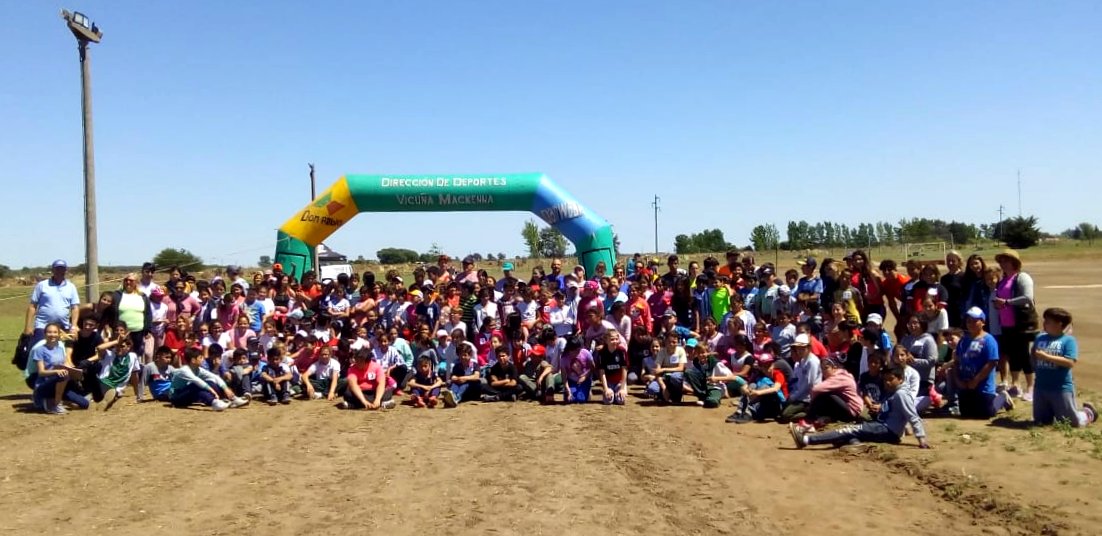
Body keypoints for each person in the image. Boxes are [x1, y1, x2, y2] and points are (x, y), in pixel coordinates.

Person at [790, 365, 930, 449]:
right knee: (849, 433)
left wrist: (921, 439)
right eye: (885, 379)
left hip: (887, 430)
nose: (887, 382)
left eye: (891, 379)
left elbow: (913, 416)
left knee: (848, 430)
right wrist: (880, 408)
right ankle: (854, 442)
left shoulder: (901, 394)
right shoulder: (893, 392)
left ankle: (806, 440)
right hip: (882, 427)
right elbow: (893, 411)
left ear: (900, 379)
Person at [1031, 308, 1096, 427]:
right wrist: (1035, 365)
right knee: (1041, 422)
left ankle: (1087, 414)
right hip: (1041, 387)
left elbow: (1070, 362)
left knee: (1072, 423)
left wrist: (1046, 357)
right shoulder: (1040, 338)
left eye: (1048, 321)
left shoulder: (1068, 340)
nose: (1044, 324)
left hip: (1060, 388)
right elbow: (1033, 354)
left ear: (1059, 324)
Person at [948, 307, 1014, 419]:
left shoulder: (989, 340)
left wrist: (976, 380)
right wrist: (959, 381)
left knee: (985, 414)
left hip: (983, 386)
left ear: (982, 322)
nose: (971, 324)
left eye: (975, 321)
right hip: (966, 385)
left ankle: (1001, 398)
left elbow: (992, 362)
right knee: (966, 414)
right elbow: (957, 361)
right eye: (969, 321)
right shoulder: (963, 341)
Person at [993, 249, 1037, 401]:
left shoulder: (1022, 277)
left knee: (1024, 354)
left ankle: (1031, 387)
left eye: (1006, 261)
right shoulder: (1003, 280)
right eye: (1001, 261)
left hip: (1021, 323)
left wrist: (1007, 302)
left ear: (1014, 262)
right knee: (1013, 355)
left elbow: (1028, 297)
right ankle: (1016, 384)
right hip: (1006, 323)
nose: (1003, 264)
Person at [169, 348, 249, 411]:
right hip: (176, 398)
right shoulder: (184, 370)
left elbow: (215, 377)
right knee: (196, 386)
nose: (203, 359)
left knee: (211, 382)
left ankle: (233, 399)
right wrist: (212, 391)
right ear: (193, 360)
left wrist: (226, 389)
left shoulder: (198, 369)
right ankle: (214, 402)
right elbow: (197, 381)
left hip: (188, 396)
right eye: (200, 357)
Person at [30, 323, 86, 414]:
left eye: (55, 332)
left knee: (84, 404)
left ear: (59, 334)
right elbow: (41, 372)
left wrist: (75, 373)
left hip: (60, 384)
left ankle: (54, 400)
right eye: (49, 332)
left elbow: (64, 365)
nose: (52, 335)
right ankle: (56, 403)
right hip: (45, 384)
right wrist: (56, 371)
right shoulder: (39, 350)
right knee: (63, 375)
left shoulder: (60, 349)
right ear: (45, 334)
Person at [25, 259, 81, 345]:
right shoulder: (42, 285)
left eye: (62, 269)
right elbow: (32, 306)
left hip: (63, 327)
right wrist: (28, 327)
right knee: (41, 349)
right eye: (57, 269)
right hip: (42, 326)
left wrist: (73, 326)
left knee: (61, 351)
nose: (60, 271)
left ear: (66, 270)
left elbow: (75, 308)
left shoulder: (71, 287)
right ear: (52, 270)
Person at [778, 334, 821, 423]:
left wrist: (795, 396)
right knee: (782, 410)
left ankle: (810, 414)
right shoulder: (802, 360)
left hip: (807, 398)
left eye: (802, 348)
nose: (799, 351)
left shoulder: (812, 361)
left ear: (809, 348)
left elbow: (809, 384)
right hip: (800, 396)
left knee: (786, 415)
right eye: (798, 348)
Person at [595, 330, 629, 405]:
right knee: (608, 401)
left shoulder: (622, 351)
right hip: (609, 382)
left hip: (619, 382)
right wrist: (606, 388)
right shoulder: (602, 353)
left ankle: (618, 392)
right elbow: (602, 372)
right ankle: (610, 392)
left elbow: (624, 370)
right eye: (612, 339)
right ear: (606, 340)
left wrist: (622, 388)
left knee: (621, 400)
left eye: (616, 339)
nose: (615, 341)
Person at [441, 342, 481, 406]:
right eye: (460, 355)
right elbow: (453, 376)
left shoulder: (474, 365)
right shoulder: (457, 366)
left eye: (465, 355)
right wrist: (456, 379)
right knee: (454, 385)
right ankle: (451, 396)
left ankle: (456, 398)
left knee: (465, 385)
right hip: (459, 385)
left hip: (471, 388)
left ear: (470, 355)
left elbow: (476, 376)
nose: (462, 357)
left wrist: (464, 378)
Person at [559, 336, 595, 404]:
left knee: (581, 399)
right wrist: (568, 390)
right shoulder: (564, 358)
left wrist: (585, 376)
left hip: (585, 379)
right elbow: (564, 377)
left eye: (578, 350)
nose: (577, 353)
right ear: (569, 349)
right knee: (571, 400)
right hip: (572, 381)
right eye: (575, 351)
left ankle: (587, 391)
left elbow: (593, 367)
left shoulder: (585, 353)